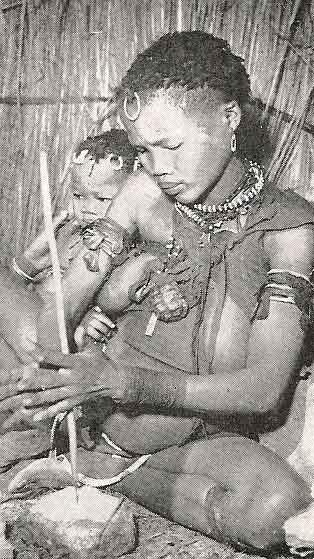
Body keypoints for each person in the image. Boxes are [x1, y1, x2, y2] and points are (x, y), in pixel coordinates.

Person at [2, 31, 314, 553]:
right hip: (89, 387)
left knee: (271, 508)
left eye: (171, 145)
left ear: (229, 117)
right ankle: (62, 437)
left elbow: (262, 389)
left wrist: (114, 383)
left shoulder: (286, 232)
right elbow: (63, 299)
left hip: (187, 430)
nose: (159, 167)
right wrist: (58, 373)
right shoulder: (144, 190)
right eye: (143, 150)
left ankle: (91, 468)